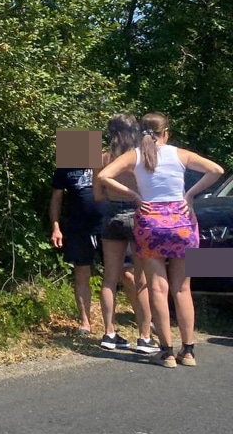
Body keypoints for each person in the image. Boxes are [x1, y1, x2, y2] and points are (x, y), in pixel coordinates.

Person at [98, 113, 223, 368]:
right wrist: (190, 195)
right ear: (166, 132)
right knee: (183, 288)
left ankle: (166, 352)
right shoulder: (180, 154)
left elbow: (104, 176)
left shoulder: (134, 155)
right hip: (182, 220)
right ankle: (188, 351)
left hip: (150, 221)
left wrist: (134, 195)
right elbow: (216, 170)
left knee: (157, 287)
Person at [93, 114, 156, 353]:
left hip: (111, 214)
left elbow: (97, 195)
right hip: (138, 214)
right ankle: (145, 337)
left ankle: (109, 333)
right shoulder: (141, 157)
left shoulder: (102, 158)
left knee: (110, 278)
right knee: (141, 280)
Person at [50, 163, 103, 335]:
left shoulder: (104, 160)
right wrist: (56, 228)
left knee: (124, 273)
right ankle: (85, 323)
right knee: (81, 274)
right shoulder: (65, 167)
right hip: (79, 227)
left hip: (107, 224)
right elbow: (56, 198)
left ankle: (143, 322)